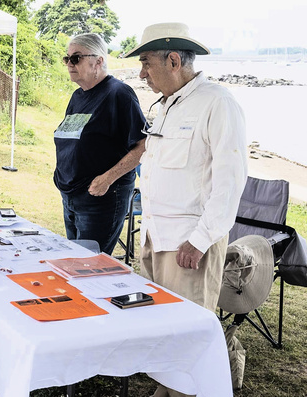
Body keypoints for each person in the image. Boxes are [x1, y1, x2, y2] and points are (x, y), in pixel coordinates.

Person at [124, 23, 247, 397]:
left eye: (146, 63)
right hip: (156, 237)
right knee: (162, 328)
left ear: (173, 59)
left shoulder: (217, 103)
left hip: (188, 245)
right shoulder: (165, 105)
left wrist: (199, 240)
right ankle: (168, 387)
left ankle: (183, 392)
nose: (142, 73)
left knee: (189, 333)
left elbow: (230, 181)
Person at [53, 33, 146, 255]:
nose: (69, 64)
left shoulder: (119, 94)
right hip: (71, 194)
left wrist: (107, 179)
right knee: (74, 260)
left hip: (100, 198)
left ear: (99, 61)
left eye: (76, 58)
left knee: (88, 264)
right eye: (67, 59)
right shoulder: (78, 96)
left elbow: (143, 146)